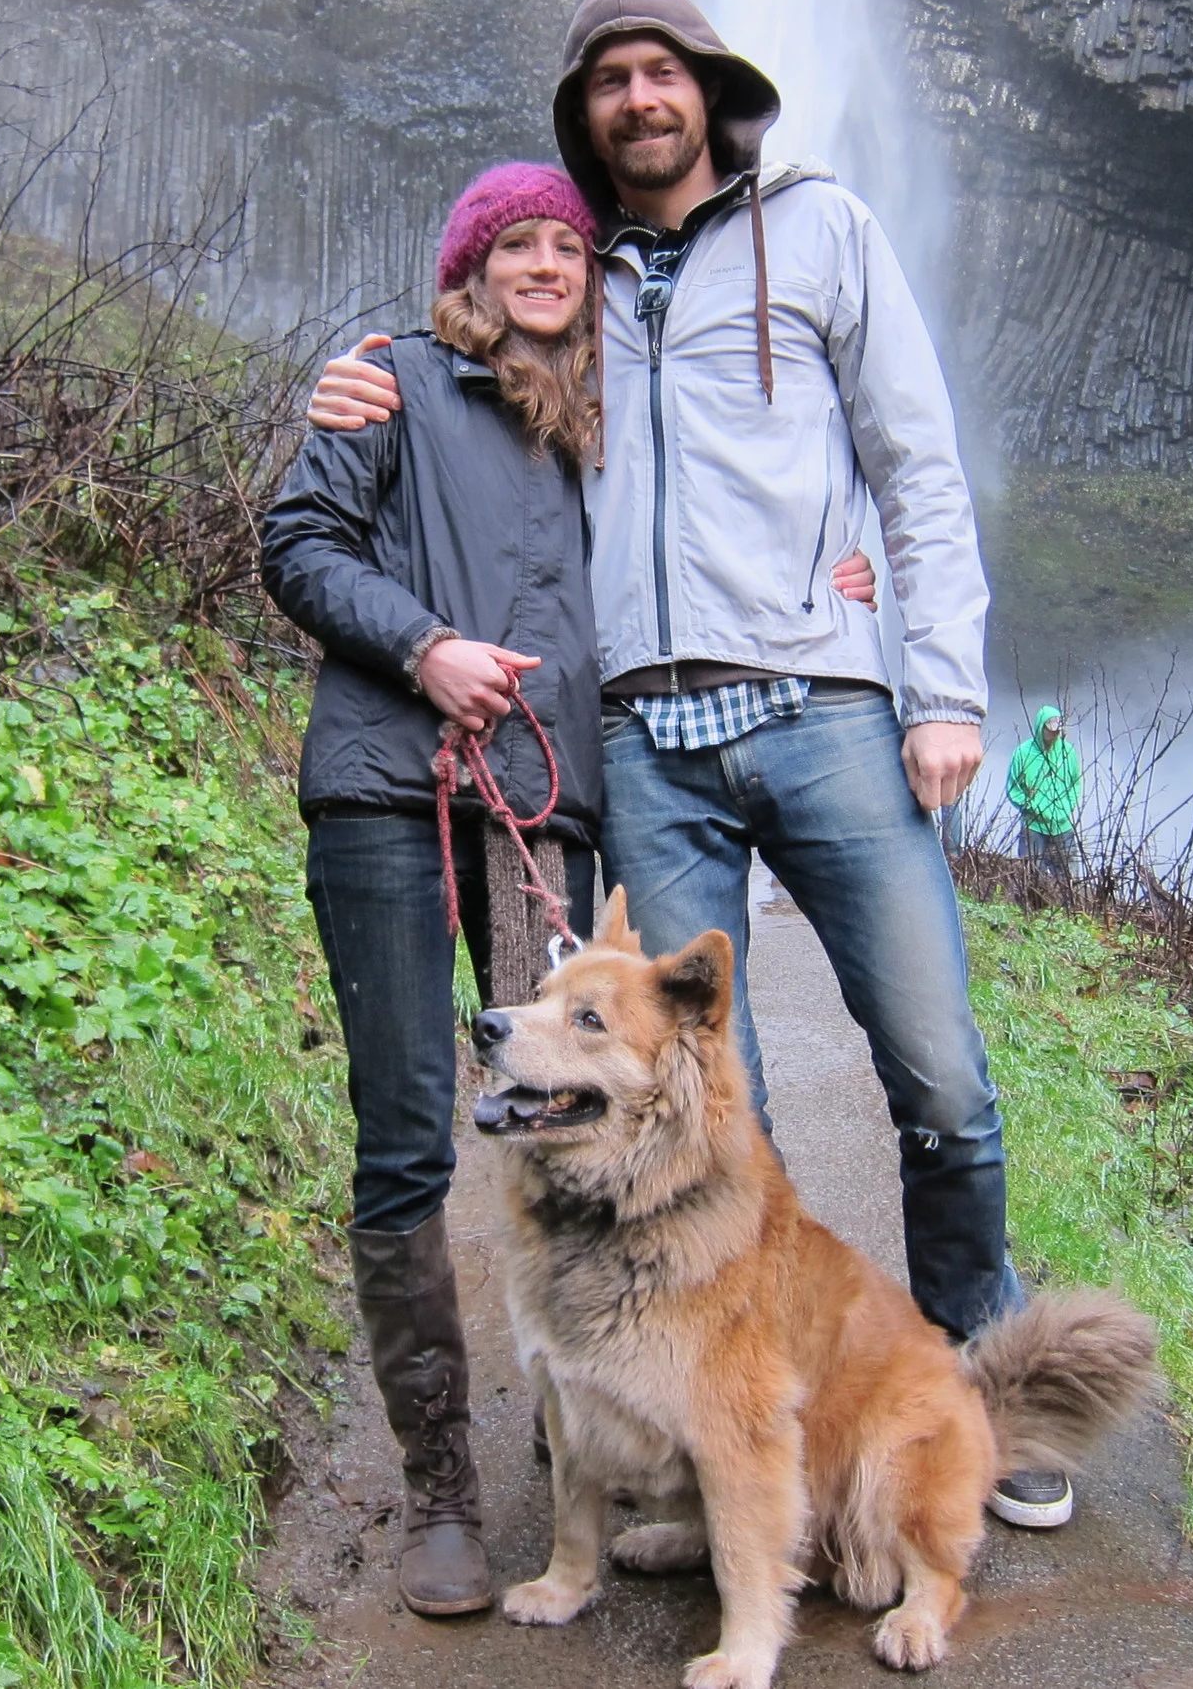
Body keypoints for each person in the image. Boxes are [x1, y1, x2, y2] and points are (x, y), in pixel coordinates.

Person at [307, 0, 1077, 1531]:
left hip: (827, 706)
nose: (640, 99)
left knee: (939, 1067)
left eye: (663, 71)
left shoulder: (825, 228)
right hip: (644, 741)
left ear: (712, 91)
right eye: (610, 80)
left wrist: (943, 684)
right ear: (583, 118)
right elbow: (462, 378)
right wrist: (353, 376)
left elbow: (915, 460)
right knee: (720, 1115)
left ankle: (986, 1385)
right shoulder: (572, 279)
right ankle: (761, 1412)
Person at [263, 163, 879, 1615]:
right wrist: (424, 648)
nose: (545, 264)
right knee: (409, 1131)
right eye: (515, 245)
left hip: (543, 806)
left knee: (564, 1113)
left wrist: (841, 566)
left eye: (566, 245)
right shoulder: (396, 382)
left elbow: (727, 523)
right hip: (387, 790)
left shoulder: (615, 423)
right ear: (469, 271)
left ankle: (581, 1440)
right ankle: (439, 1487)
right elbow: (296, 543)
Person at [1005, 705, 1082, 879]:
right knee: (1031, 875)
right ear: (1041, 728)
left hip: (1062, 826)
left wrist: (1065, 808)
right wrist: (1031, 806)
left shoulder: (1067, 752)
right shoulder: (1022, 753)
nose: (1054, 735)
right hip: (1034, 826)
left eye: (1057, 732)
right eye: (1051, 731)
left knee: (1070, 878)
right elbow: (1013, 787)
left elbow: (1075, 784)